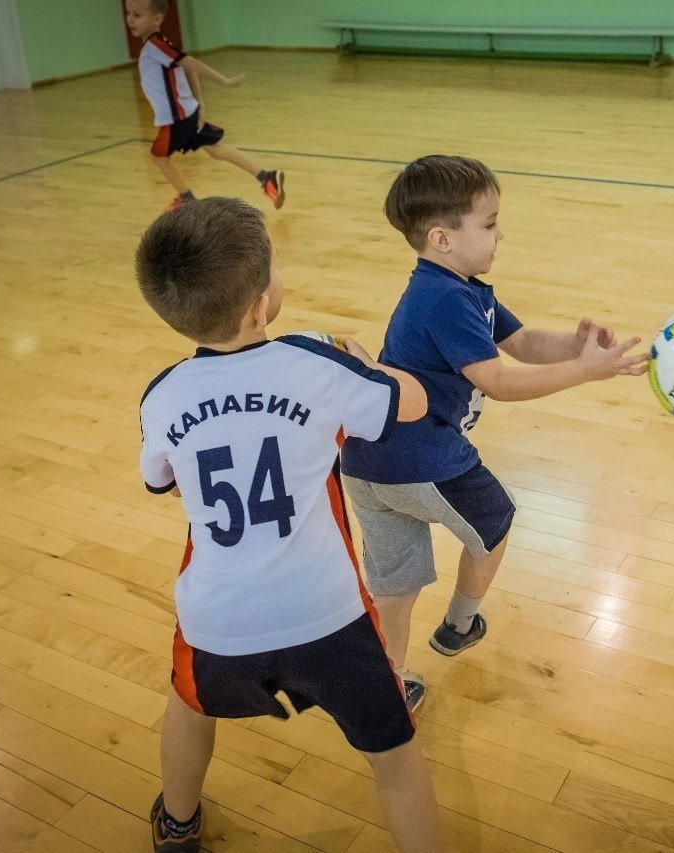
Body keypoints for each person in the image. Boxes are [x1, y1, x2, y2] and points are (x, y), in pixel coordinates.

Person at [136, 197, 444, 853]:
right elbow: (410, 403)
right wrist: (370, 364)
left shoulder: (162, 394)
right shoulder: (315, 360)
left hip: (218, 619)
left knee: (188, 704)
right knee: (395, 757)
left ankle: (179, 823)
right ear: (258, 306)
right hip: (328, 615)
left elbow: (158, 478)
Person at [340, 155, 648, 711]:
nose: (499, 233)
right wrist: (584, 373)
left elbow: (524, 343)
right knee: (496, 522)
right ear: (442, 238)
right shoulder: (445, 300)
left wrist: (578, 348)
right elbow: (500, 382)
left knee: (395, 585)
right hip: (423, 459)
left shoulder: (458, 287)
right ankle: (460, 623)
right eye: (488, 223)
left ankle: (389, 685)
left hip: (366, 465)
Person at [124, 0, 285, 212]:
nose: (130, 20)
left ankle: (187, 198)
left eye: (137, 15)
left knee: (158, 157)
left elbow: (193, 65)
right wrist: (199, 104)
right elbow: (188, 69)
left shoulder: (155, 46)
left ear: (156, 20)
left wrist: (223, 81)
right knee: (216, 150)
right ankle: (266, 178)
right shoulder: (158, 45)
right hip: (188, 113)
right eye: (129, 14)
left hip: (176, 120)